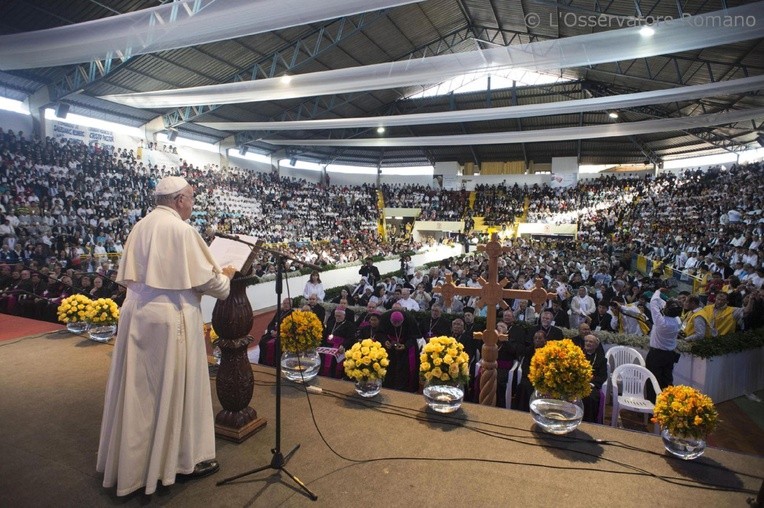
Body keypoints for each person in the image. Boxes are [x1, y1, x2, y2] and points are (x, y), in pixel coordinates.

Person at [97, 176, 236, 497]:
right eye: (190, 197)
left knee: (139, 393)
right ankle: (179, 461)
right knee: (175, 389)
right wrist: (226, 276)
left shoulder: (140, 226)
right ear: (178, 200)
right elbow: (211, 283)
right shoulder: (181, 231)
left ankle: (135, 467)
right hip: (170, 319)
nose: (192, 202)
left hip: (137, 315)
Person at [645, 288, 682, 403]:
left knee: (653, 380)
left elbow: (654, 302)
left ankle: (653, 405)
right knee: (667, 381)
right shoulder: (677, 321)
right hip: (669, 355)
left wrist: (658, 290)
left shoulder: (661, 322)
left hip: (656, 355)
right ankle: (667, 405)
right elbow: (663, 306)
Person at [581, 334, 607, 423]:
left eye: (591, 342)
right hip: (576, 383)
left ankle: (588, 423)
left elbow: (603, 376)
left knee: (589, 398)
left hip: (591, 385)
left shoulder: (601, 359)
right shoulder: (578, 354)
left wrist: (591, 384)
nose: (588, 343)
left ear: (596, 345)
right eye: (586, 341)